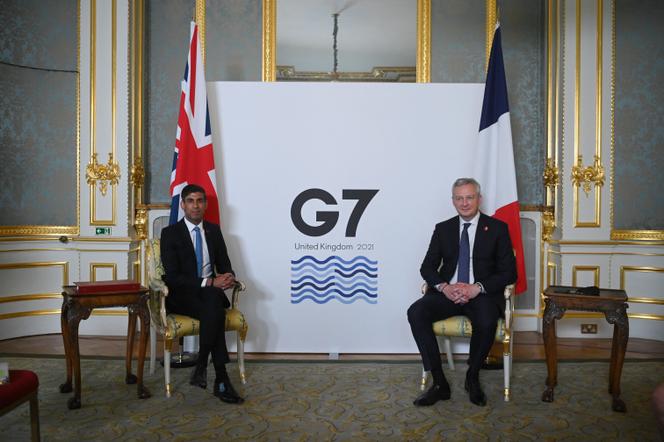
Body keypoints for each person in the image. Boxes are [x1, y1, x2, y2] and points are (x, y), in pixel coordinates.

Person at [408, 177, 517, 407]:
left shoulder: (497, 229)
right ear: (453, 201)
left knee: (487, 320)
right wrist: (445, 287)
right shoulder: (443, 229)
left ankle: (472, 376)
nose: (464, 203)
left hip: (481, 294)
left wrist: (477, 287)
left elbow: (509, 272)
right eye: (459, 198)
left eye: (469, 197)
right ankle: (439, 383)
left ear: (479, 199)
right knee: (416, 312)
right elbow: (427, 267)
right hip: (448, 294)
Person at [160, 183, 244, 404]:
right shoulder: (170, 234)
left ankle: (208, 370)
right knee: (213, 306)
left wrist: (228, 277)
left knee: (211, 303)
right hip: (182, 296)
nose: (195, 206)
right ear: (183, 205)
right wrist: (210, 282)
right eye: (190, 201)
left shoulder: (213, 231)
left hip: (209, 295)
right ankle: (218, 377)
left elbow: (225, 264)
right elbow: (173, 276)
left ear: (205, 205)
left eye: (199, 201)